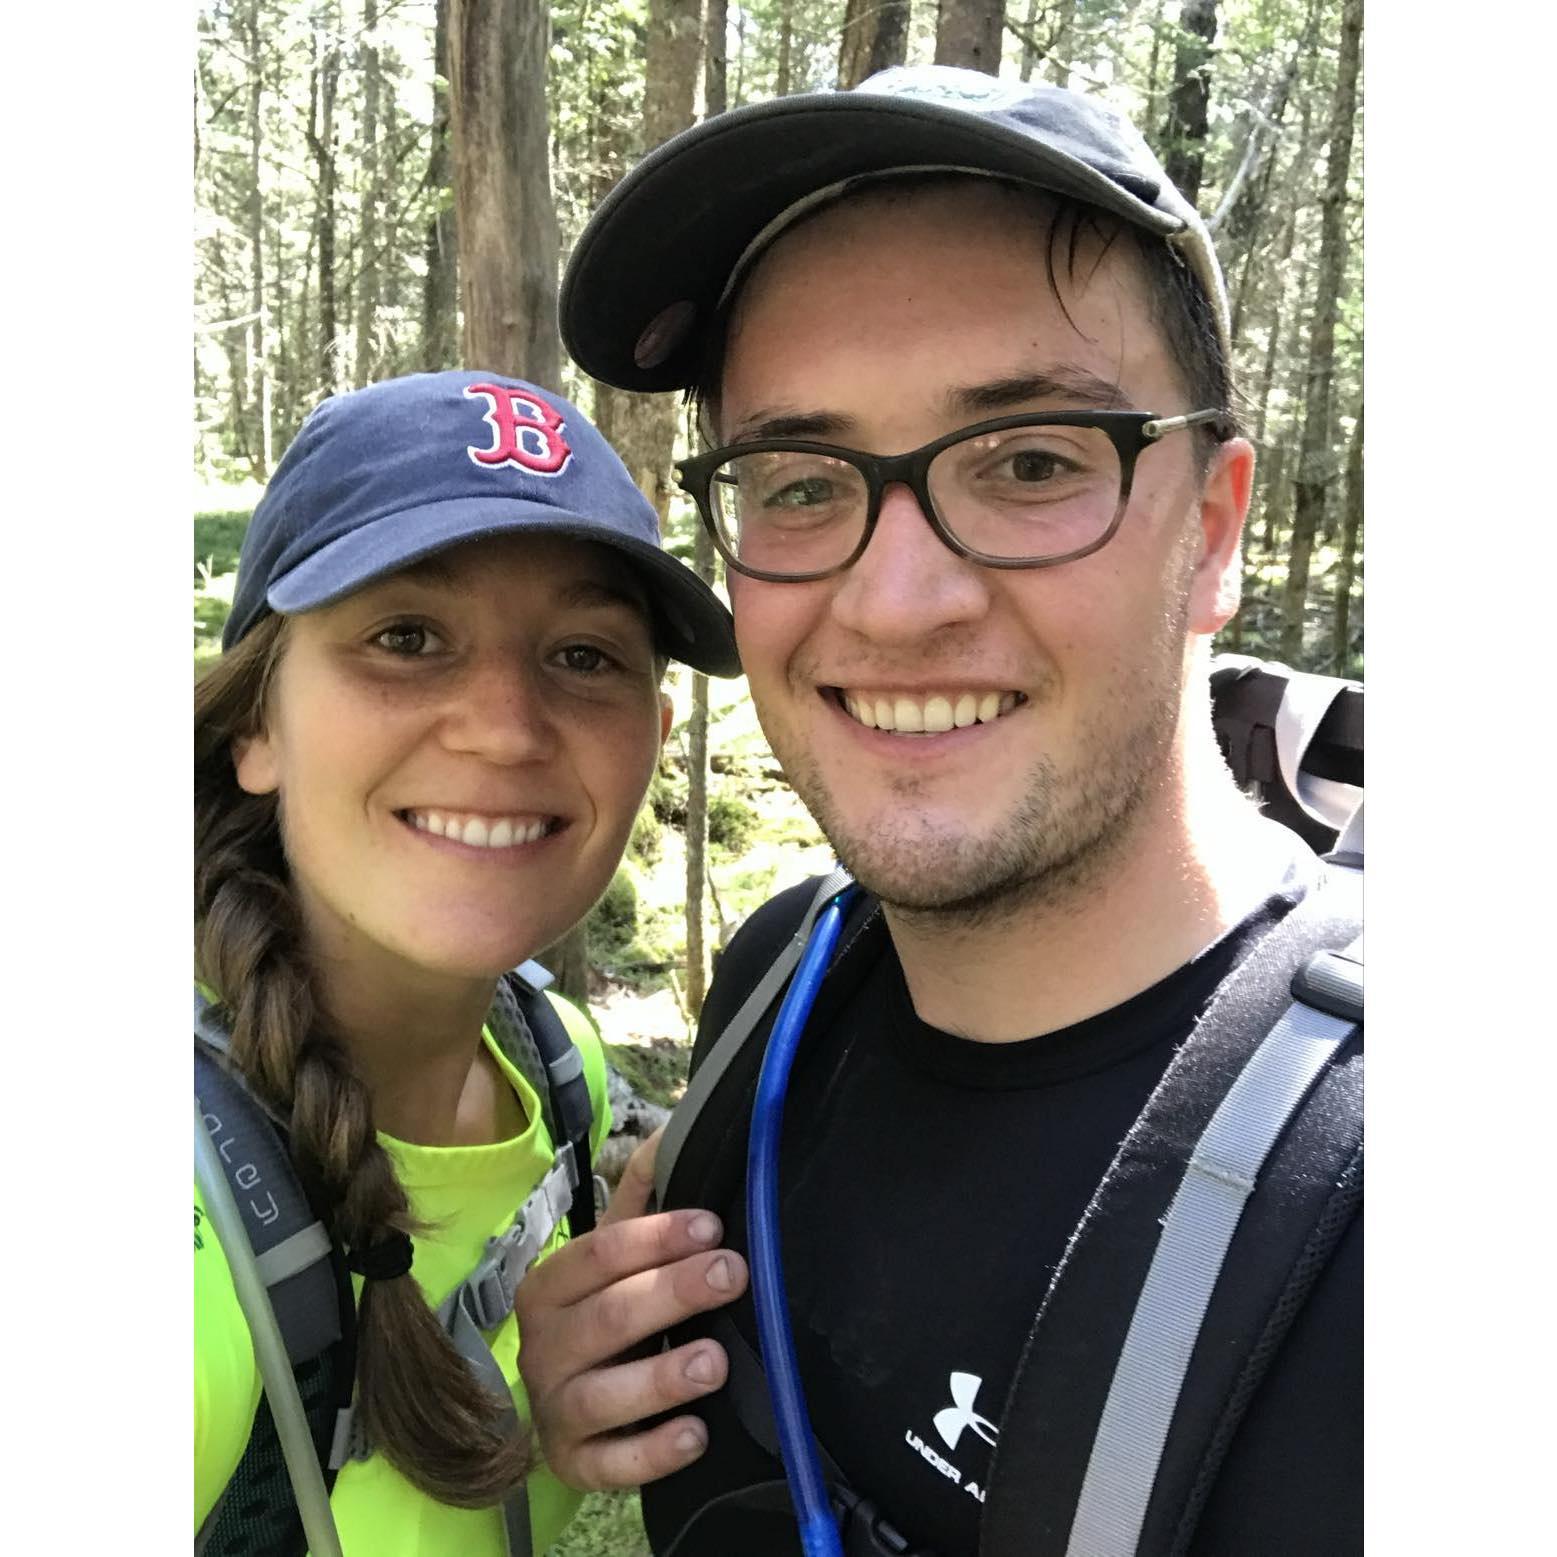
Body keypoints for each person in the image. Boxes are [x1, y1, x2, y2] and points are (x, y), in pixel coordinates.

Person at [539, 64, 1363, 1555]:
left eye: (1032, 460)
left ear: (1216, 526)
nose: (897, 599)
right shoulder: (778, 992)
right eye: (798, 481)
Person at [193, 369, 753, 1556]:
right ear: (258, 723)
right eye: (407, 637)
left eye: (586, 656)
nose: (504, 727)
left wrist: (529, 1418)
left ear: (651, 740)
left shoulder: (556, 1068)